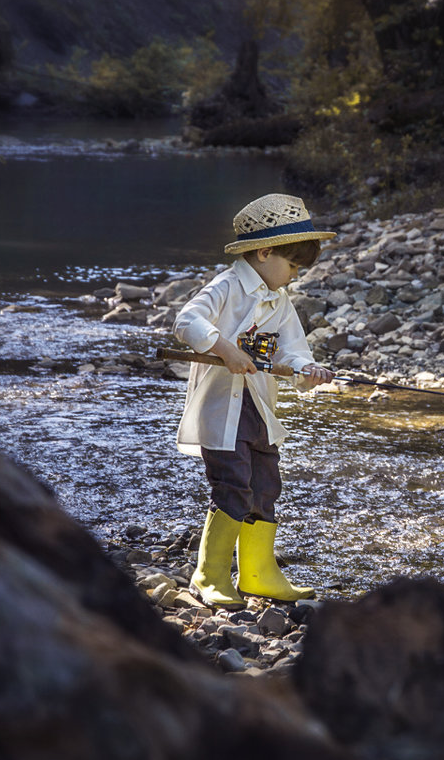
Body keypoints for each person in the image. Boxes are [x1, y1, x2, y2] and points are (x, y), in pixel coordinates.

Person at [174, 193, 335, 609]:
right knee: (232, 486)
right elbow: (186, 321)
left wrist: (307, 369)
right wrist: (225, 349)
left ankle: (259, 573)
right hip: (222, 411)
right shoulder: (226, 287)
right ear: (265, 252)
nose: (295, 276)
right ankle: (209, 576)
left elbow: (291, 352)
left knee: (265, 486)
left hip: (259, 408)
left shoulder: (279, 301)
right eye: (293, 265)